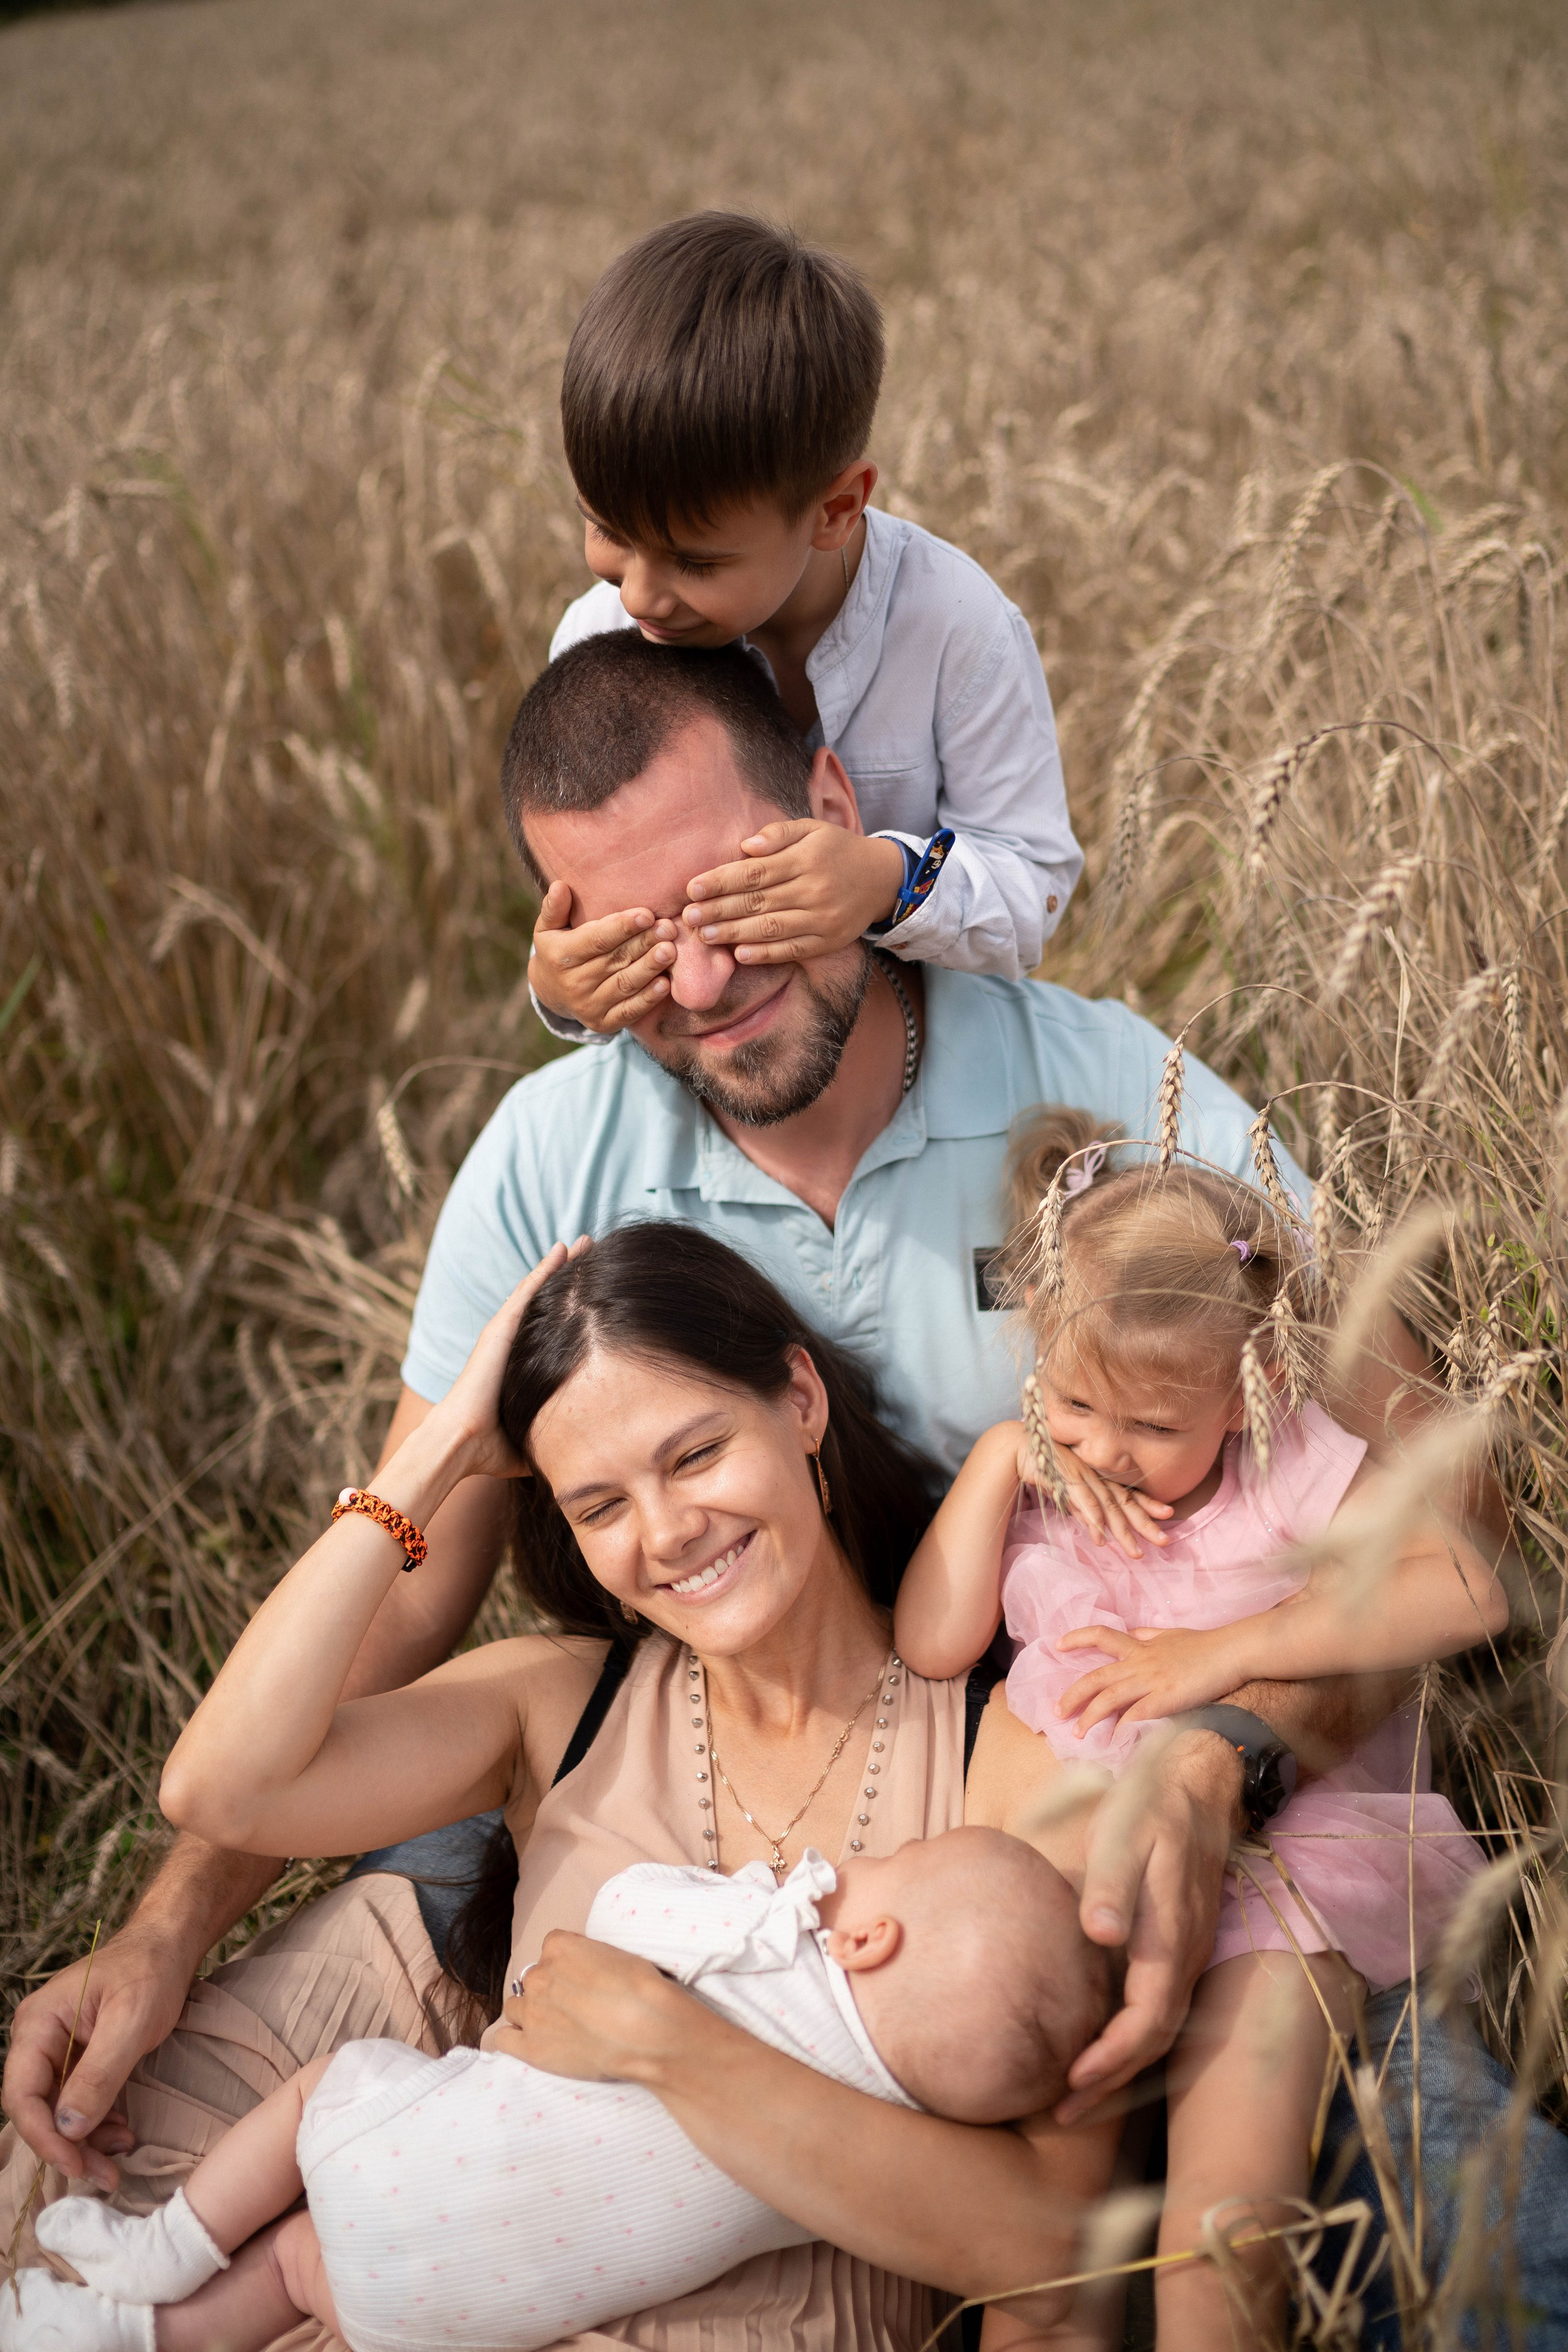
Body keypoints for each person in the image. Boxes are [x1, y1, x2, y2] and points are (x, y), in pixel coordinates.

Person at [4, 634, 1551, 2343]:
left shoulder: (1122, 1101)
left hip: (1072, 1789)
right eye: (619, 931)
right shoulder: (550, 1164)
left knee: (1486, 2239)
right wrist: (165, 1928)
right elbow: (385, 1623)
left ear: (831, 812)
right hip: (642, 1762)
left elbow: (1431, 1524)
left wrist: (1226, 1745)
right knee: (77, 2181)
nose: (698, 975)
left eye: (729, 896)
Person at [7, 1227, 1131, 2352]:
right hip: (423, 2287)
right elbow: (219, 1788)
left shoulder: (1005, 1749)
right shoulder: (561, 1704)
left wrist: (677, 2051)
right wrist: (439, 1450)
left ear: (800, 1400)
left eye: (695, 1456)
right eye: (599, 1507)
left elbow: (1059, 2245)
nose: (668, 1533)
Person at [893, 1110, 1507, 2349]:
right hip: (1078, 1885)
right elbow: (930, 1641)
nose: (1104, 1451)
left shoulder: (1290, 1475)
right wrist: (1005, 1461)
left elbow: (1468, 1588)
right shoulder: (1048, 1484)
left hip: (1275, 1884)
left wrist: (1226, 1654)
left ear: (1253, 1390)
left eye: (1151, 1430)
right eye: (1069, 1402)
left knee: (1214, 2247)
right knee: (1034, 2275)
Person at [17, 1833, 1109, 2352]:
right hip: (437, 2323)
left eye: (880, 1863)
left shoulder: (772, 1946)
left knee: (317, 2099)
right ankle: (153, 2336)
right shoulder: (873, 2135)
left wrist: (762, 1894)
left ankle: (163, 2253)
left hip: (396, 2160)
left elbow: (626, 1912)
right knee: (305, 2269)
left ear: (868, 1938)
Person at [529, 210, 1083, 1042]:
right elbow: (586, 895)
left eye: (696, 562)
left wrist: (883, 880)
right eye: (608, 530)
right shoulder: (594, 636)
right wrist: (560, 988)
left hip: (919, 1050)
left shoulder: (958, 628)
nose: (639, 597)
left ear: (836, 507)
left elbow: (1033, 887)